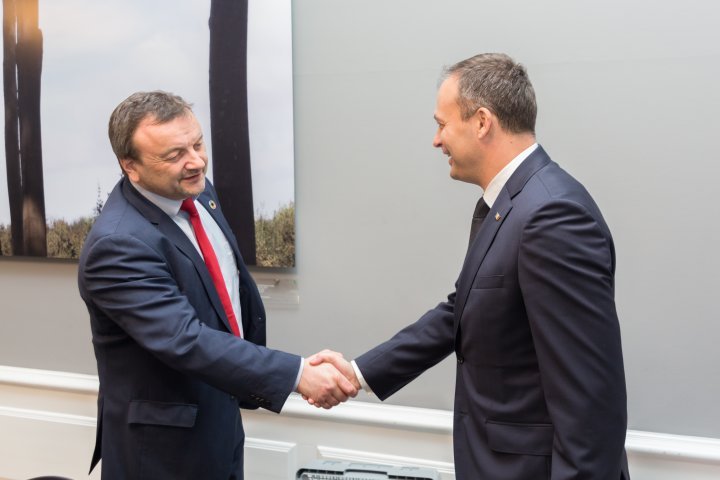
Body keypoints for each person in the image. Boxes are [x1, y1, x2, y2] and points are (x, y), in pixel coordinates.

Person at [311, 53, 630, 479]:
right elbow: (460, 312)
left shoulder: (552, 215)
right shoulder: (510, 205)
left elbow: (590, 400)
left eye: (442, 124)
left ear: (482, 122)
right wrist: (358, 373)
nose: (436, 140)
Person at [78, 91, 356, 480]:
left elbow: (227, 293)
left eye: (197, 143)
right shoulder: (118, 245)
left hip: (219, 418)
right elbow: (186, 339)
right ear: (131, 167)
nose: (196, 162)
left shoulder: (198, 191)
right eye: (175, 155)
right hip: (162, 449)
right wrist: (296, 374)